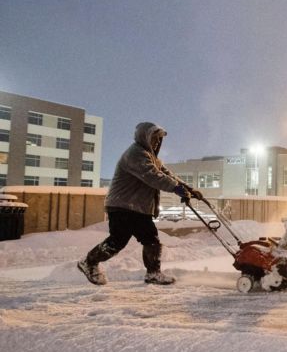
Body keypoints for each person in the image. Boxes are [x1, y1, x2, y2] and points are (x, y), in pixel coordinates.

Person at [76, 122, 203, 286]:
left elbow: (166, 174)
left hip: (137, 208)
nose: (157, 142)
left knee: (151, 240)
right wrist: (176, 189)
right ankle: (89, 262)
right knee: (118, 241)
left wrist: (188, 189)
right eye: (154, 138)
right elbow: (153, 177)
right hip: (122, 206)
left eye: (159, 140)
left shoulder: (152, 158)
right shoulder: (135, 154)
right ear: (145, 137)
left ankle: (153, 273)